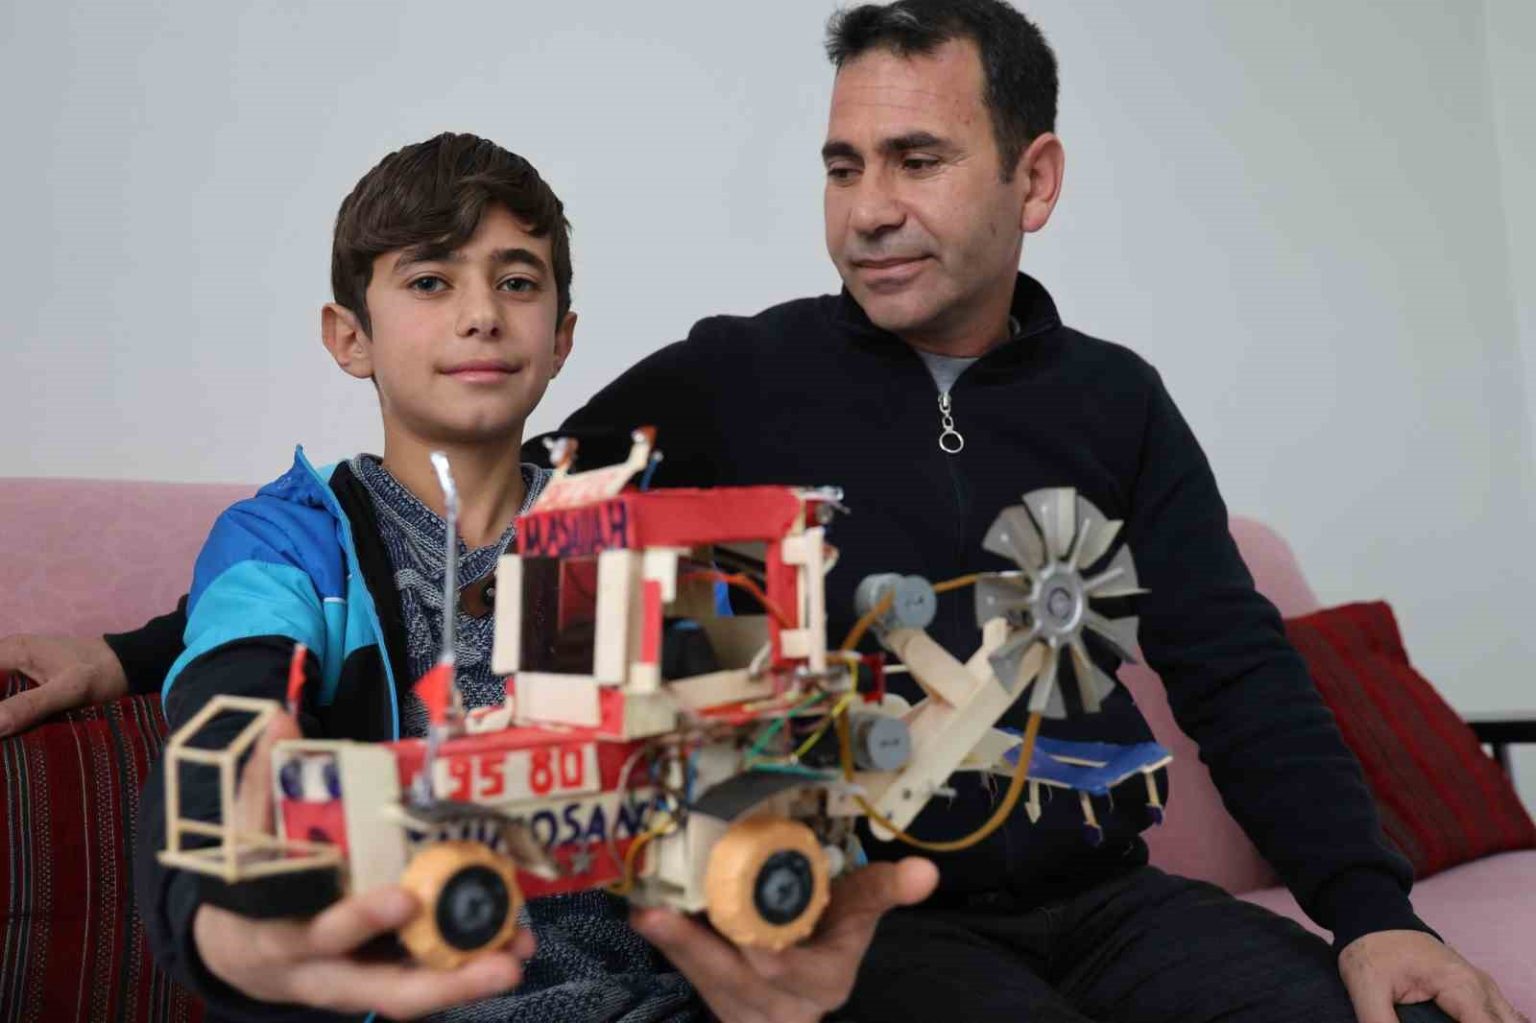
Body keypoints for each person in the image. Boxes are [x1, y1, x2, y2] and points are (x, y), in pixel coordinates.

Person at [4, 4, 1521, 1022]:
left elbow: (1238, 667)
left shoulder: (1117, 402)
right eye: (843, 164)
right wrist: (143, 651)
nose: (869, 207)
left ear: (1034, 178)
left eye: (918, 160)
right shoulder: (732, 382)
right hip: (882, 928)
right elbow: (425, 525)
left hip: (1107, 894)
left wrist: (1373, 908)